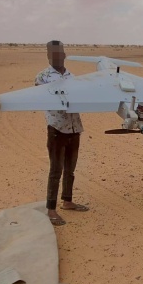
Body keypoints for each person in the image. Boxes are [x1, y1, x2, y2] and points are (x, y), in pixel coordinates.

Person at [35, 40, 89, 226]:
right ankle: (51, 209)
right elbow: (42, 99)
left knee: (70, 169)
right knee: (56, 170)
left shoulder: (72, 76)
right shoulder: (42, 77)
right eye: (53, 54)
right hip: (57, 129)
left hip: (74, 127)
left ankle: (67, 201)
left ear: (64, 54)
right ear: (48, 55)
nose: (57, 57)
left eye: (60, 53)